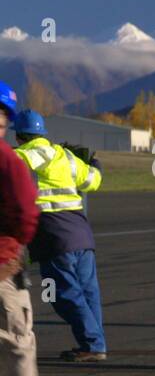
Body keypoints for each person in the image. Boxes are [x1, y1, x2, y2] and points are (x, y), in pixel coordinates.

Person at [12, 110, 107, 363]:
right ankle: (95, 343)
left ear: (19, 136)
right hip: (82, 235)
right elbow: (93, 181)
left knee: (57, 293)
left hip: (53, 237)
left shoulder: (21, 156)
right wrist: (96, 165)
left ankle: (92, 343)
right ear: (42, 132)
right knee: (88, 293)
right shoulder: (65, 156)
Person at [0, 82, 62, 376]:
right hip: (3, 266)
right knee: (18, 345)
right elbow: (26, 211)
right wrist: (12, 249)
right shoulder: (8, 161)